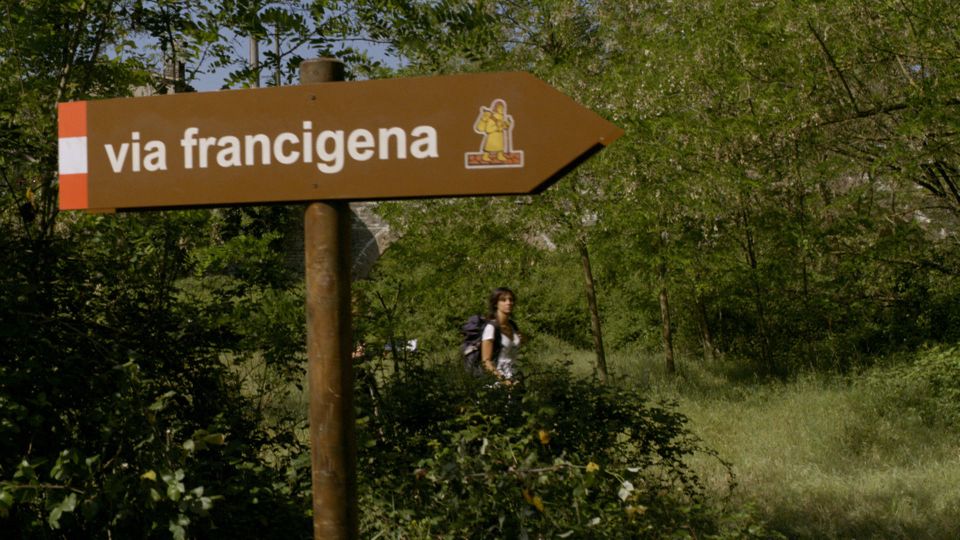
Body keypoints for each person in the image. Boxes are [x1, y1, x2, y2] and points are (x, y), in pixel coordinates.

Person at [481, 287, 522, 384]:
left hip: (514, 378)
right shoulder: (491, 328)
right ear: (496, 304)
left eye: (511, 300)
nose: (508, 303)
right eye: (503, 300)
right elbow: (486, 361)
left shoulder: (512, 326)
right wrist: (503, 381)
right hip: (497, 381)